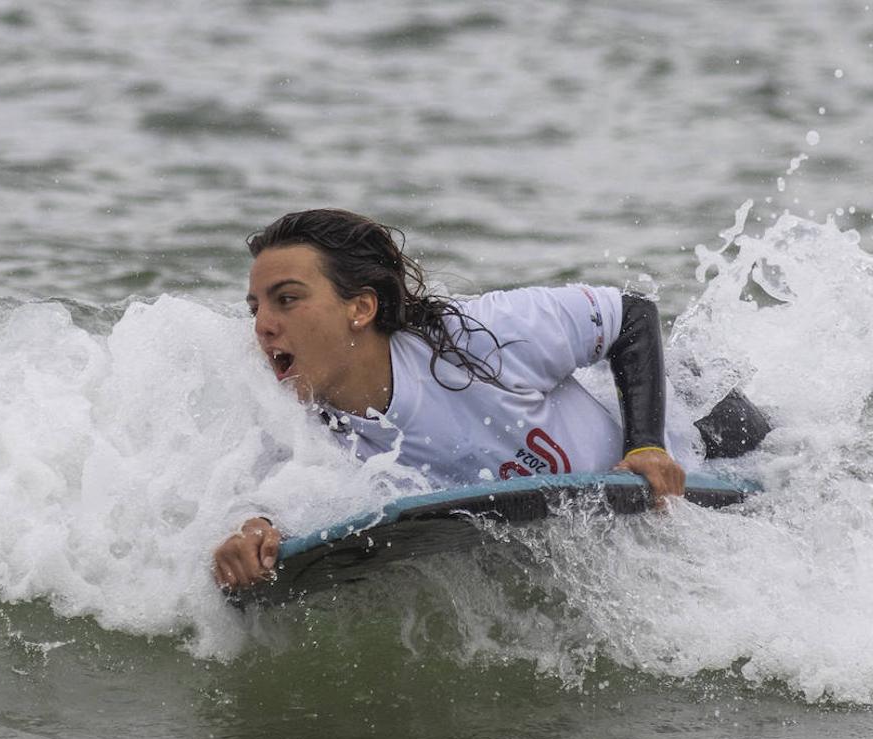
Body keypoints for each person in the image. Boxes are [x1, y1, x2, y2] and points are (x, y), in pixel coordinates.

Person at [212, 208, 762, 590]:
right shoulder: (295, 425)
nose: (263, 325)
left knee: (800, 461)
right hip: (583, 507)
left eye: (286, 300)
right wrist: (254, 532)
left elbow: (631, 316)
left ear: (361, 308)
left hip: (708, 439)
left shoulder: (474, 337)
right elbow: (267, 488)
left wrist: (645, 446)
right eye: (255, 307)